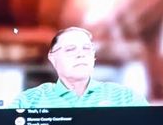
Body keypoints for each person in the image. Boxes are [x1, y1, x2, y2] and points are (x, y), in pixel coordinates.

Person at [9, 26, 148, 109]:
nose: (81, 55)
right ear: (52, 58)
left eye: (87, 49)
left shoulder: (126, 97)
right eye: (70, 49)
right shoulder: (27, 101)